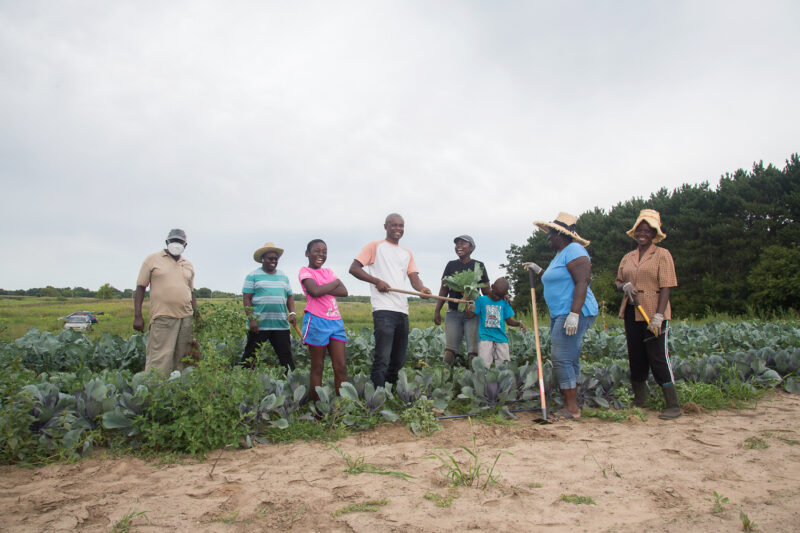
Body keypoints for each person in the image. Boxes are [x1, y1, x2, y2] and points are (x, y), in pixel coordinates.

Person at [349, 213, 432, 387]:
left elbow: (414, 278)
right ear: (385, 226)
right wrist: (376, 281)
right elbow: (354, 268)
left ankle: (390, 392)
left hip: (402, 310)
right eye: (393, 225)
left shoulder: (406, 253)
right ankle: (377, 397)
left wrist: (422, 289)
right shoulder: (375, 246)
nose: (397, 229)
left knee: (398, 358)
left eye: (401, 225)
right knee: (383, 358)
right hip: (383, 309)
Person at [530, 212, 598, 419]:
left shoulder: (575, 250)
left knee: (561, 358)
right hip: (560, 312)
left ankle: (571, 409)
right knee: (570, 357)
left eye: (551, 233)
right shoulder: (561, 254)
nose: (548, 237)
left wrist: (574, 314)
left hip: (573, 312)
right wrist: (539, 270)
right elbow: (557, 279)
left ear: (562, 234)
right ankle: (573, 402)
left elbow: (582, 282)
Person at [615, 209, 681, 419]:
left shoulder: (662, 254)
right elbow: (617, 281)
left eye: (647, 231)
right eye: (639, 230)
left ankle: (673, 405)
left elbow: (667, 286)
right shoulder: (628, 257)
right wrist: (624, 285)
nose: (642, 234)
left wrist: (659, 316)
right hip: (632, 310)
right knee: (636, 356)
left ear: (654, 234)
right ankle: (640, 400)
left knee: (657, 356)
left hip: (653, 311)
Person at [133, 228, 197, 375]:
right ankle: (155, 390)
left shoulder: (187, 264)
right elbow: (141, 288)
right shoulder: (152, 260)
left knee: (183, 357)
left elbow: (191, 291)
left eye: (180, 242)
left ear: (185, 245)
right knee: (160, 358)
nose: (176, 244)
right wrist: (138, 316)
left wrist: (196, 314)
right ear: (167, 242)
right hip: (163, 316)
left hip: (186, 317)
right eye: (174, 241)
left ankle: (176, 390)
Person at [299, 239, 348, 402]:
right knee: (318, 366)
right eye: (317, 251)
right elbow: (314, 291)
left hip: (336, 322)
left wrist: (325, 288)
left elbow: (344, 291)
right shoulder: (305, 271)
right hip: (316, 321)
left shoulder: (328, 271)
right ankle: (319, 408)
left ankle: (341, 408)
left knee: (340, 367)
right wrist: (334, 283)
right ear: (307, 253)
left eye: (324, 252)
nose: (321, 255)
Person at [433, 235, 490, 367]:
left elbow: (486, 291)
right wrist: (437, 311)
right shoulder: (451, 265)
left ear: (471, 247)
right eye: (457, 244)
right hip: (453, 312)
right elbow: (444, 289)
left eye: (463, 243)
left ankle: (474, 381)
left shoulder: (478, 266)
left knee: (473, 351)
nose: (459, 246)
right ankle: (446, 380)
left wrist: (501, 297)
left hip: (473, 313)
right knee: (450, 350)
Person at [242, 241, 297, 370]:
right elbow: (246, 299)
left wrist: (292, 313)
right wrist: (252, 320)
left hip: (280, 325)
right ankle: (244, 380)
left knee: (286, 357)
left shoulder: (283, 276)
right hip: (259, 325)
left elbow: (289, 296)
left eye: (276, 259)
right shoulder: (253, 276)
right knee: (250, 356)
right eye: (270, 258)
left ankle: (290, 382)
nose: (273, 261)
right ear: (262, 259)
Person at [466, 277, 527, 367]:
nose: (497, 297)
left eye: (500, 296)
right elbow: (470, 315)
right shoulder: (481, 300)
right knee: (484, 363)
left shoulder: (505, 303)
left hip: (501, 338)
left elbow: (509, 321)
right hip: (485, 337)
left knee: (504, 363)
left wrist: (519, 323)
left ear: (505, 294)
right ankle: (484, 380)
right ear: (492, 286)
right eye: (495, 294)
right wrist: (468, 308)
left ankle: (502, 381)